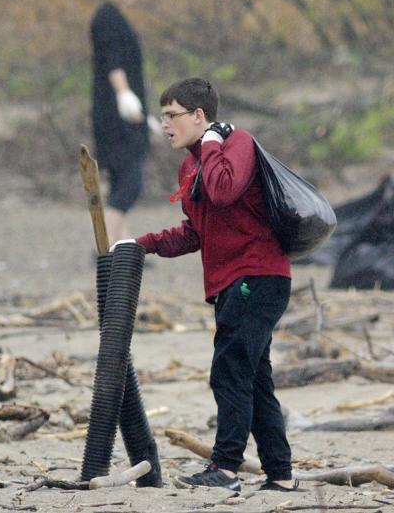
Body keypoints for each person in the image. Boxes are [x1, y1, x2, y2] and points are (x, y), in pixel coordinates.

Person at [130, 78, 298, 493]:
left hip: (258, 277)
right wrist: (139, 245)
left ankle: (224, 469)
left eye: (172, 116)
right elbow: (195, 233)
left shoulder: (237, 143)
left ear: (200, 116)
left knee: (230, 370)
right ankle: (281, 474)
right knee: (255, 379)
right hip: (230, 284)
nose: (165, 125)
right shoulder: (190, 165)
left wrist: (211, 142)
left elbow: (224, 191)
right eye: (162, 116)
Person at [90, 0, 160, 245]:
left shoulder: (117, 17)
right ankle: (103, 246)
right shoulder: (106, 18)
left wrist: (144, 112)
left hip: (126, 113)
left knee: (121, 180)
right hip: (116, 116)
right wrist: (123, 94)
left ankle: (122, 246)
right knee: (130, 183)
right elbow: (112, 61)